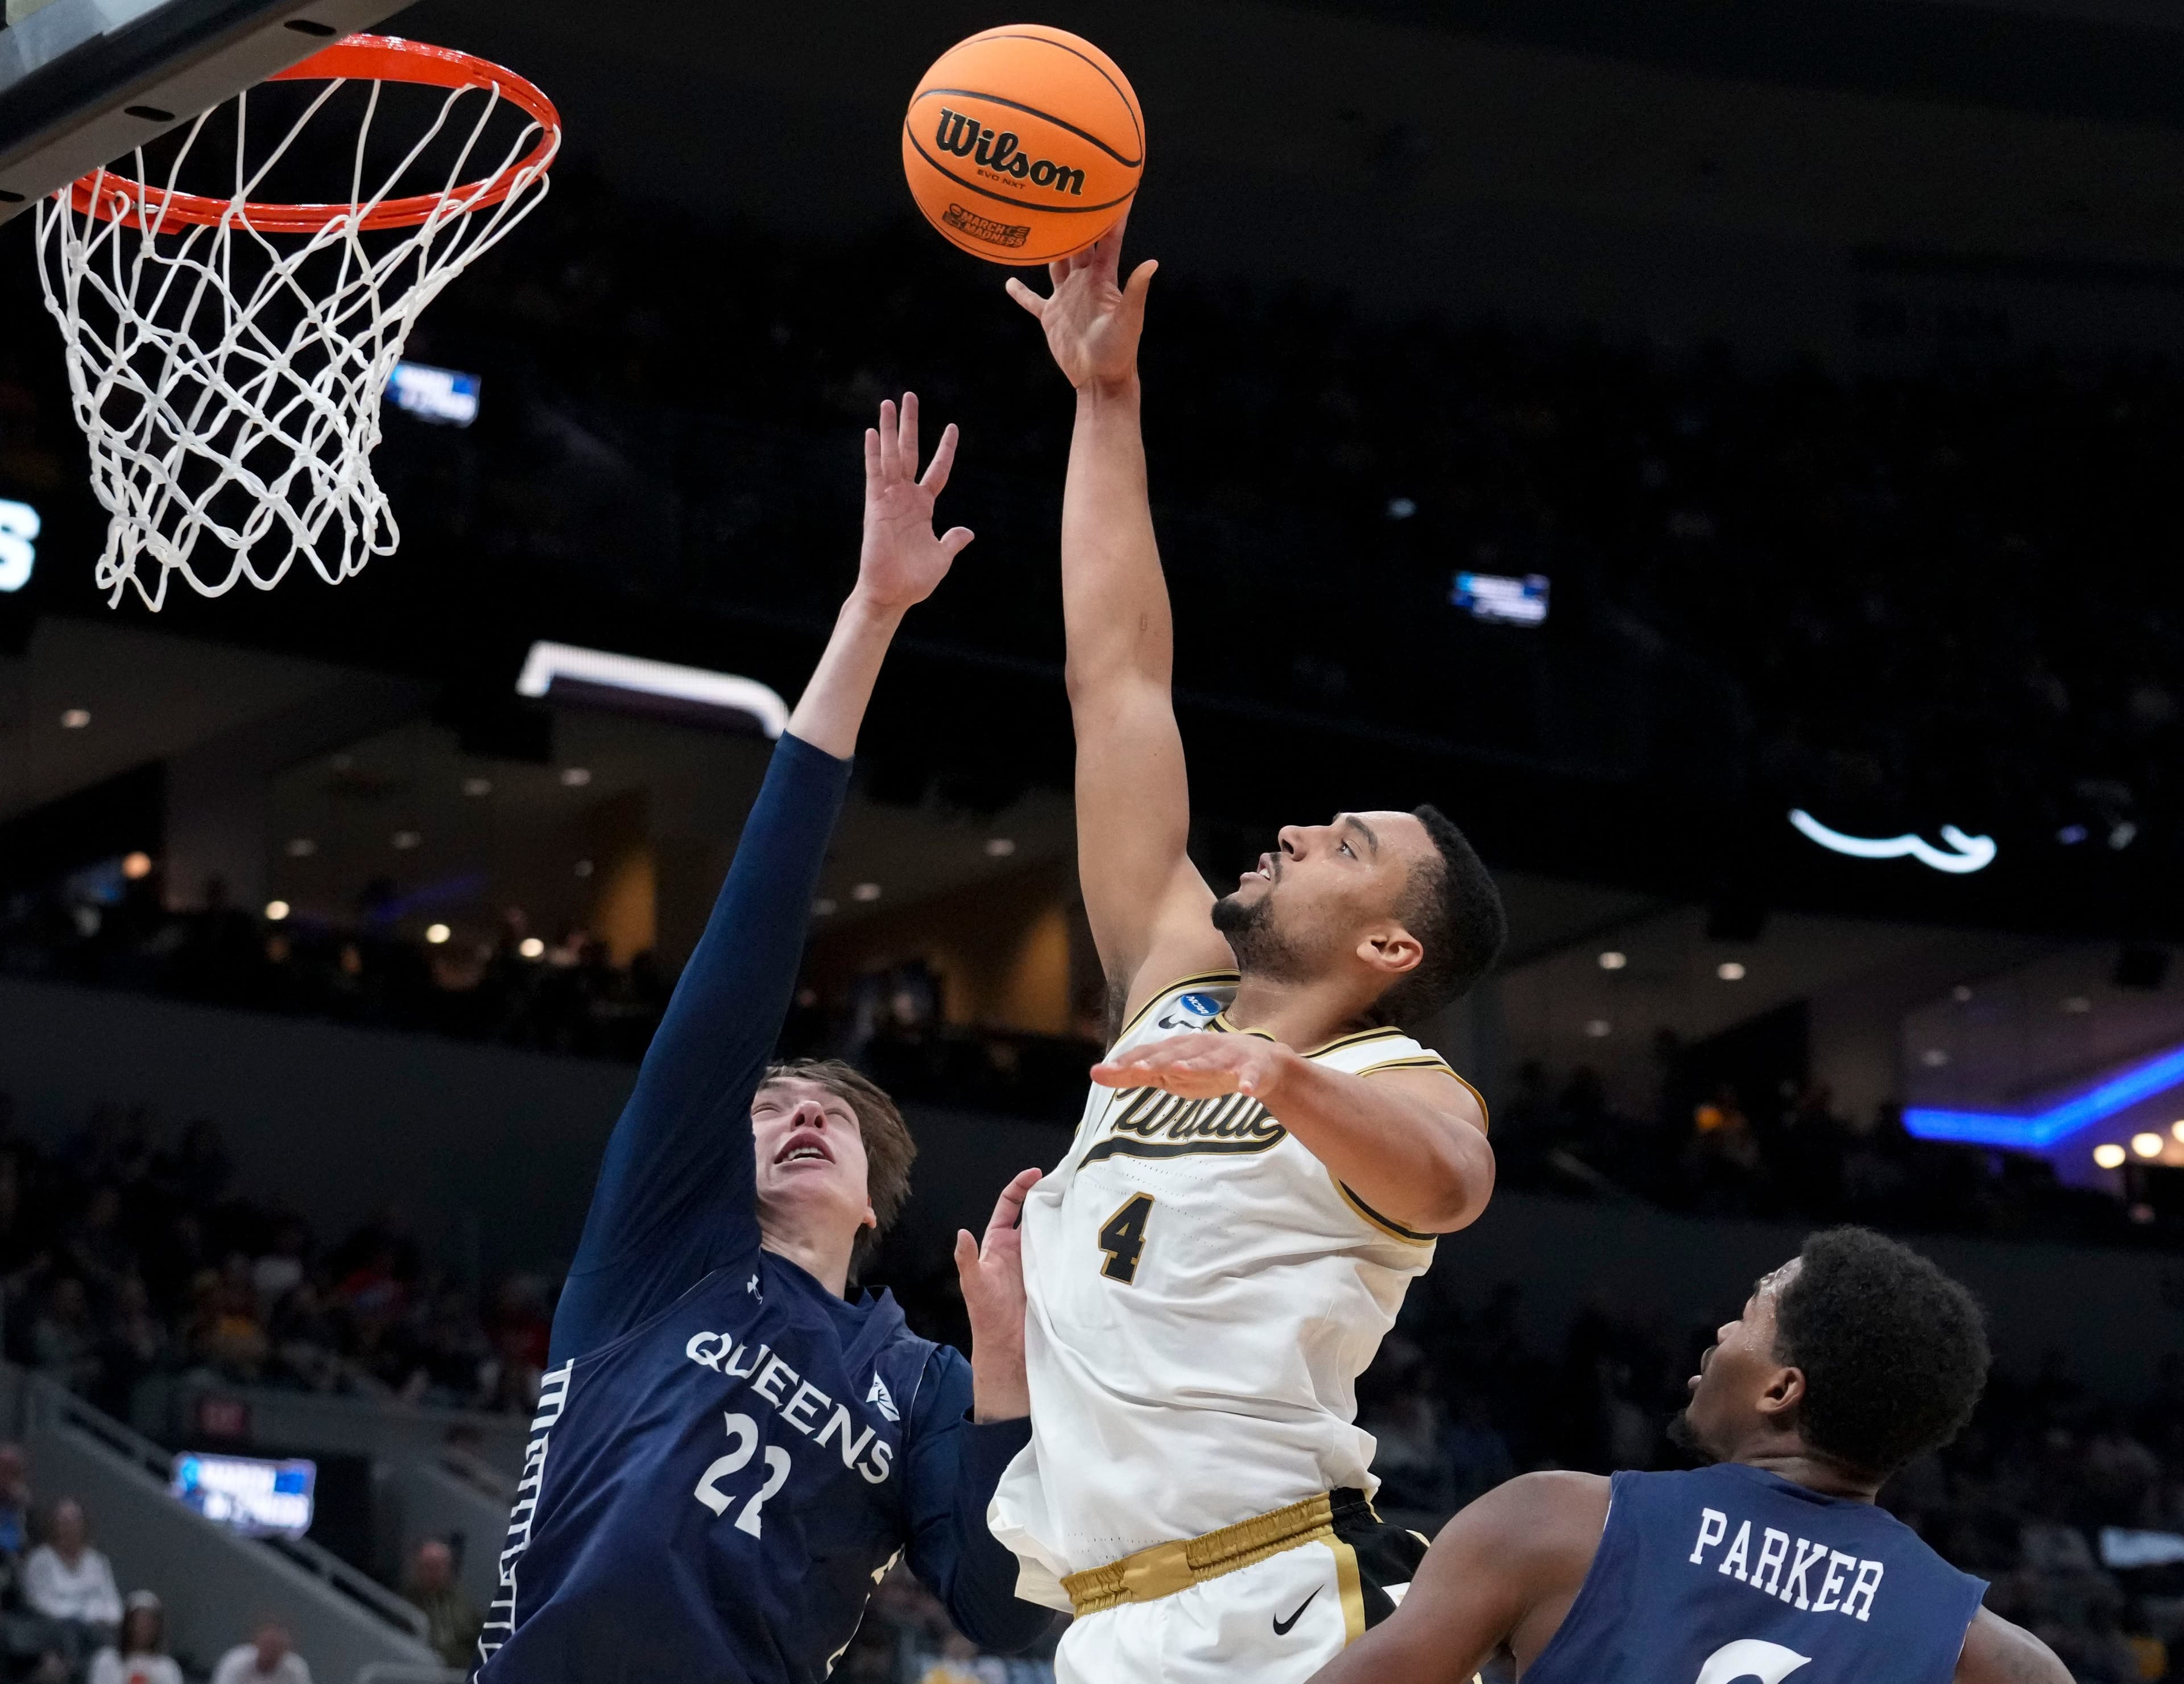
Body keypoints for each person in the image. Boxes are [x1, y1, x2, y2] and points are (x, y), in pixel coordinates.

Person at [992, 217, 1507, 1682]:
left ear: (1393, 939)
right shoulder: (1174, 972)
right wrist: (1103, 402)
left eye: (1345, 844)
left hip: (1278, 1597)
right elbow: (1118, 677)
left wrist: (1277, 1082)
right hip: (1107, 1612)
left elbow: (1455, 1183)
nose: (1292, 831)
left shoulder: (1397, 1075)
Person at [475, 395, 1050, 1682]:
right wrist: (872, 612)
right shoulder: (665, 1243)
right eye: (769, 1101)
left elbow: (1004, 1611)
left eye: (829, 1110)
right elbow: (748, 941)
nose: (797, 1109)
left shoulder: (916, 1378)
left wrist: (1005, 1355)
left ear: (870, 1193)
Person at [1304, 1228, 2071, 1684]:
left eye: (1743, 1321)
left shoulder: (1552, 1522)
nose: (1719, 1337)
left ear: (1781, 1391)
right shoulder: (1997, 1661)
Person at [22, 1497, 121, 1665]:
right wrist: (81, 1615)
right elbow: (42, 1604)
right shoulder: (40, 1561)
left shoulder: (97, 1562)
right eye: (64, 1522)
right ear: (54, 1525)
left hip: (97, 1631)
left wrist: (100, 1617)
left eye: (75, 1521)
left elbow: (113, 1604)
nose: (70, 1528)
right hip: (56, 1634)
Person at [403, 1537, 481, 1667]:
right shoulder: (403, 1607)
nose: (434, 1573)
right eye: (428, 1566)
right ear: (417, 1569)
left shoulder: (465, 1607)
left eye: (439, 1567)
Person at [88, 1591, 183, 1684]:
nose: (142, 1628)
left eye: (148, 1624)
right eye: (137, 1622)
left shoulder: (167, 1668)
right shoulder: (107, 1661)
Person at [209, 1621, 309, 1684]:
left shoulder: (297, 1669)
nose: (271, 1652)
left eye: (276, 1647)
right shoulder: (235, 1662)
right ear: (257, 1644)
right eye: (268, 1646)